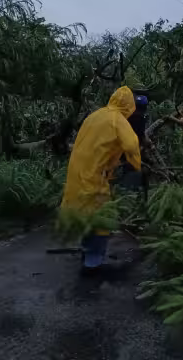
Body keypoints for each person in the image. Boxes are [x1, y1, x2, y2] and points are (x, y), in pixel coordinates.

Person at [60, 86, 141, 274]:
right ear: (129, 105)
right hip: (93, 177)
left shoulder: (95, 115)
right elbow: (132, 144)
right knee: (101, 218)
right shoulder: (117, 119)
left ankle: (87, 253)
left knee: (85, 214)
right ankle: (93, 264)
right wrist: (137, 165)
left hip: (78, 172)